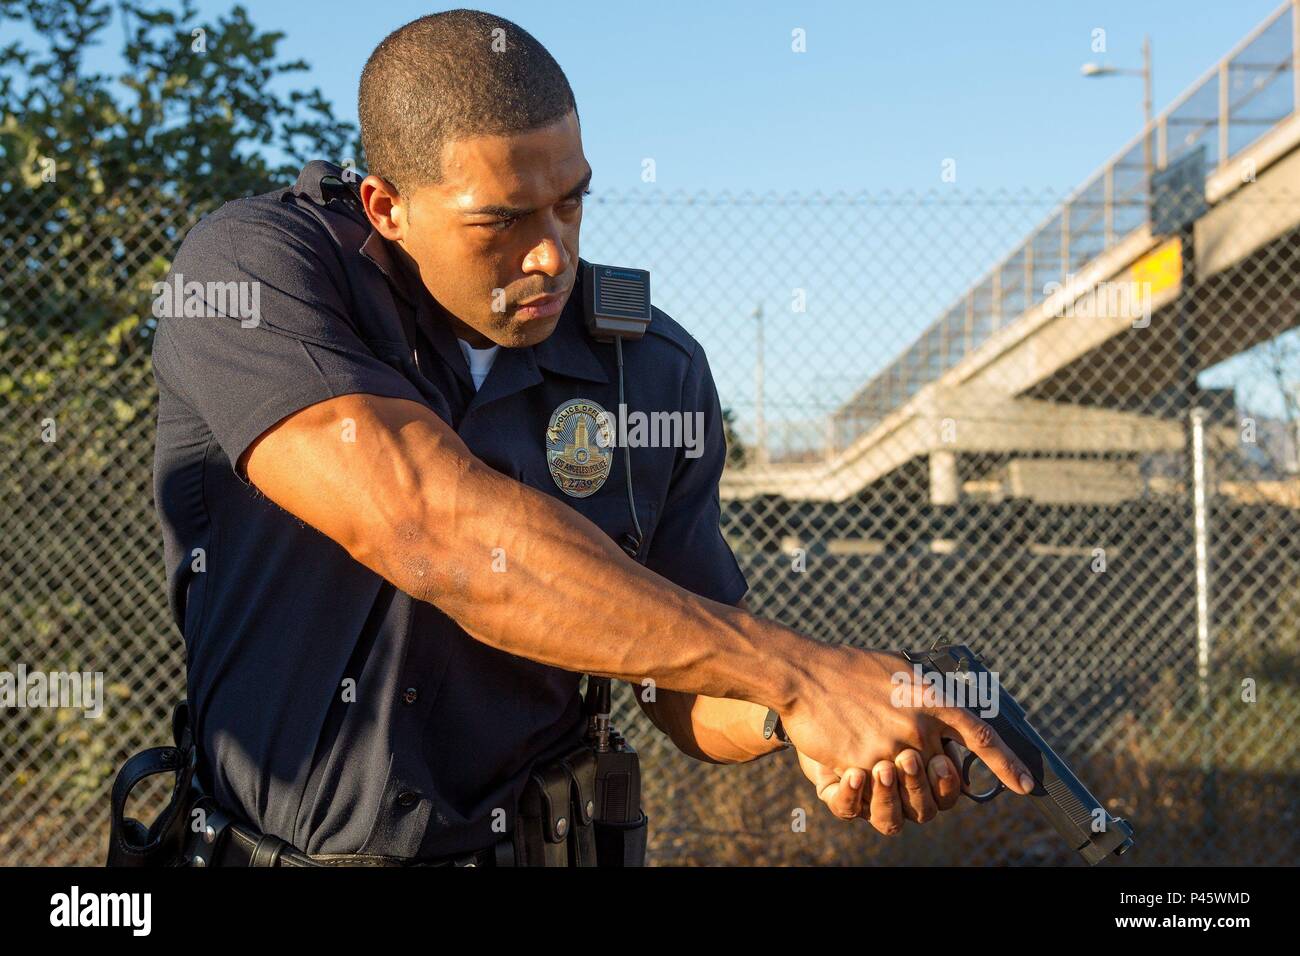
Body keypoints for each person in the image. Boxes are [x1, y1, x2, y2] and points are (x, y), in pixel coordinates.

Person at [148, 8, 1033, 865]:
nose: (551, 255)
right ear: (386, 207)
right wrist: (798, 676)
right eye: (503, 220)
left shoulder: (649, 371)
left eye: (572, 203)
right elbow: (430, 526)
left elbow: (688, 689)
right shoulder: (259, 274)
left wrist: (792, 722)